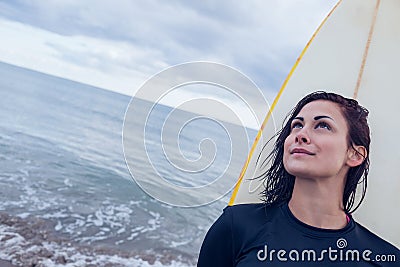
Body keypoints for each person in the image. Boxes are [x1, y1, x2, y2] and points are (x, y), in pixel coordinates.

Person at [198, 91, 399, 266]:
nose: (301, 134)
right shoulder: (237, 226)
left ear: (355, 154)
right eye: (297, 125)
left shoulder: (384, 259)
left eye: (323, 126)